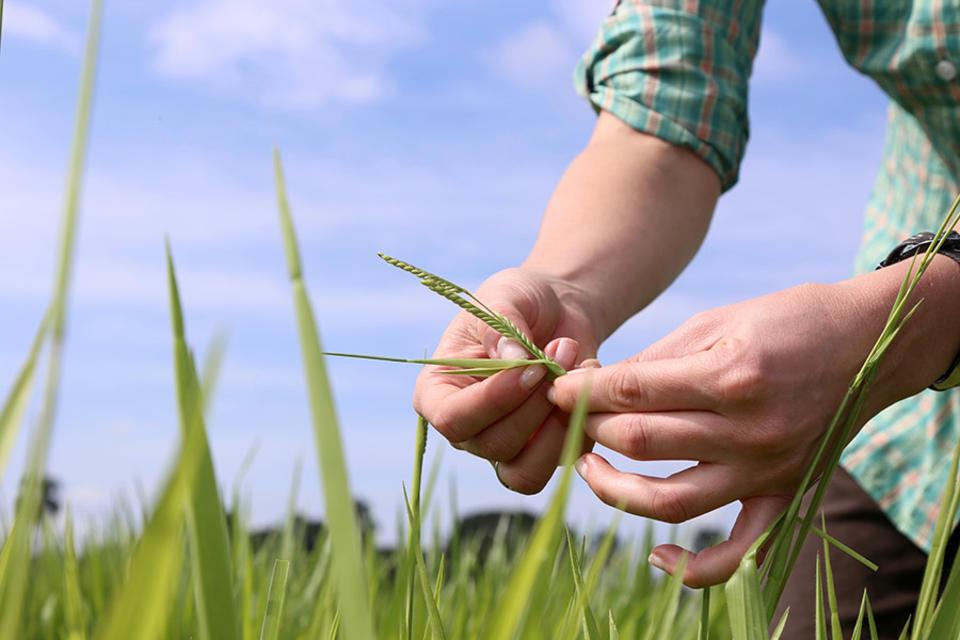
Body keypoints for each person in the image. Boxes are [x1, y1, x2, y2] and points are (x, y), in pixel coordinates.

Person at [412, 1, 960, 637]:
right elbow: (669, 99)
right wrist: (567, 284)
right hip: (895, 422)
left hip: (884, 347)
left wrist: (913, 322)